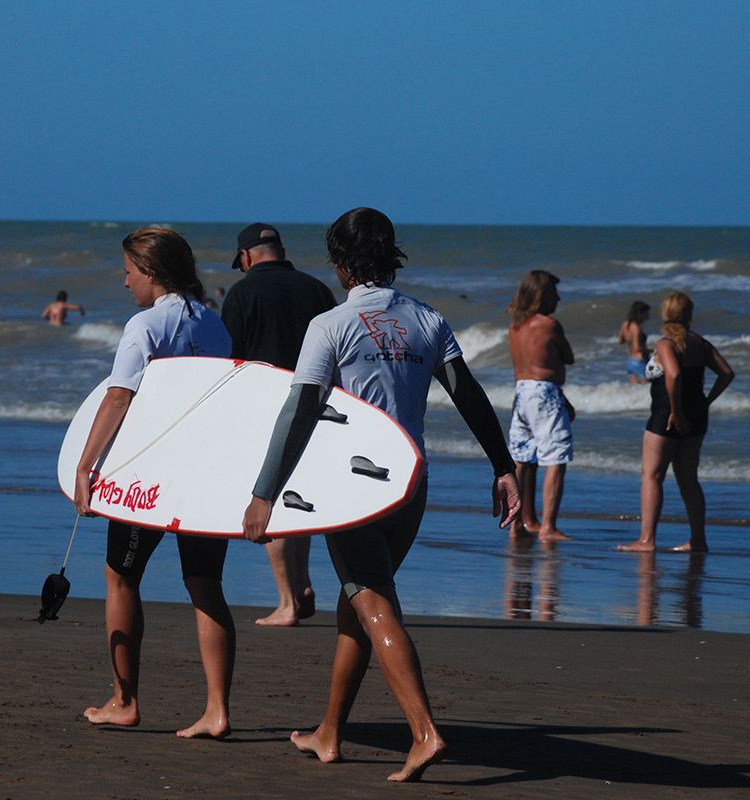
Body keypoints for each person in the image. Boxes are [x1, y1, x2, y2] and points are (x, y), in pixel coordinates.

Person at [241, 208, 520, 782]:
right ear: (391, 256)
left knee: (372, 600)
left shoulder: (331, 325)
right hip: (411, 484)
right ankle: (329, 732)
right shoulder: (427, 319)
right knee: (359, 602)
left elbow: (300, 411)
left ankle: (424, 733)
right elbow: (470, 396)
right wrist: (503, 467)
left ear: (340, 264)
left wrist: (265, 492)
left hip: (351, 487)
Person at [73, 227, 236, 739]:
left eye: (128, 272)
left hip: (151, 477)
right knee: (205, 583)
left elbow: (119, 397)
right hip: (205, 474)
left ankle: (124, 701)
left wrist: (85, 466)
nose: (124, 283)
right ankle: (216, 710)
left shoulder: (144, 326)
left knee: (121, 578)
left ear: (150, 273)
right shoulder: (215, 324)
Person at [220, 222, 336, 627]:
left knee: (269, 495)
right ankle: (302, 586)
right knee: (299, 496)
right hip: (316, 406)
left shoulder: (241, 293)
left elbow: (229, 362)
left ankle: (287, 601)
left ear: (247, 257)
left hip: (264, 408)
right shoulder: (317, 290)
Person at [618, 292, 733, 553]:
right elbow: (726, 373)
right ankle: (698, 540)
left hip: (666, 415)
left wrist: (674, 410)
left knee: (652, 475)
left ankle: (647, 540)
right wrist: (707, 400)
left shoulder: (665, 344)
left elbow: (673, 373)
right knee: (689, 479)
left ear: (666, 314)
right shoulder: (700, 343)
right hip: (697, 416)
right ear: (689, 315)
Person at [506, 270, 576, 542]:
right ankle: (548, 526)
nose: (558, 298)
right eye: (554, 293)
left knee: (523, 458)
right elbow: (567, 357)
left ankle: (519, 523)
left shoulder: (515, 326)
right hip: (544, 392)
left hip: (521, 392)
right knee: (555, 459)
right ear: (542, 295)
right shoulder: (549, 324)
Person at [618, 300, 651, 384]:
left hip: (630, 361)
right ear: (640, 313)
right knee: (645, 388)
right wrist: (652, 350)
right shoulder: (636, 328)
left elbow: (621, 341)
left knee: (634, 388)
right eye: (646, 313)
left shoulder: (625, 324)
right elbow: (637, 348)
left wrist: (630, 339)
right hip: (640, 362)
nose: (647, 316)